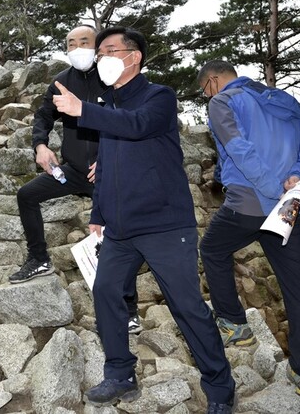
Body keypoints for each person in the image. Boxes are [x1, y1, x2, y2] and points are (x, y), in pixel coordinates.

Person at [53, 27, 235, 412]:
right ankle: (120, 374)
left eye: (109, 51)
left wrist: (83, 110)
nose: (101, 58)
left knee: (186, 307)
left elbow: (137, 127)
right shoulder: (111, 108)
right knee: (105, 292)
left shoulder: (159, 97)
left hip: (166, 226)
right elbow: (105, 169)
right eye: (98, 53)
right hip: (120, 230)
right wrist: (99, 213)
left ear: (133, 57)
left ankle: (220, 389)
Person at [196, 60, 300, 400]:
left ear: (212, 81)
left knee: (211, 248)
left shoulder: (223, 101)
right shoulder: (282, 100)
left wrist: (272, 189)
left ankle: (236, 326)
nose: (206, 95)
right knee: (299, 289)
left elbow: (239, 149)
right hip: (297, 208)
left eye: (204, 90)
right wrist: (296, 180)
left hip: (252, 204)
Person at [10, 24, 142, 334]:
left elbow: (130, 124)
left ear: (98, 46)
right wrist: (40, 146)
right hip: (71, 171)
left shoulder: (112, 79)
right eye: (71, 43)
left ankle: (129, 310)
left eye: (85, 41)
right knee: (26, 195)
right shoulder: (61, 81)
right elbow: (43, 116)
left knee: (114, 236)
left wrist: (111, 161)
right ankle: (39, 258)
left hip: (108, 174)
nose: (77, 47)